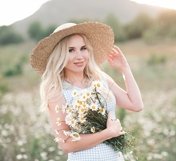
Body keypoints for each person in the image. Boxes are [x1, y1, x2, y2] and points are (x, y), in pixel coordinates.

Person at [30, 21, 143, 161]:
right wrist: (108, 133)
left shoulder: (101, 79)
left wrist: (125, 69)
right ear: (59, 55)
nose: (79, 56)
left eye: (83, 48)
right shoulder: (57, 91)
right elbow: (65, 144)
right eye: (70, 50)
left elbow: (136, 105)